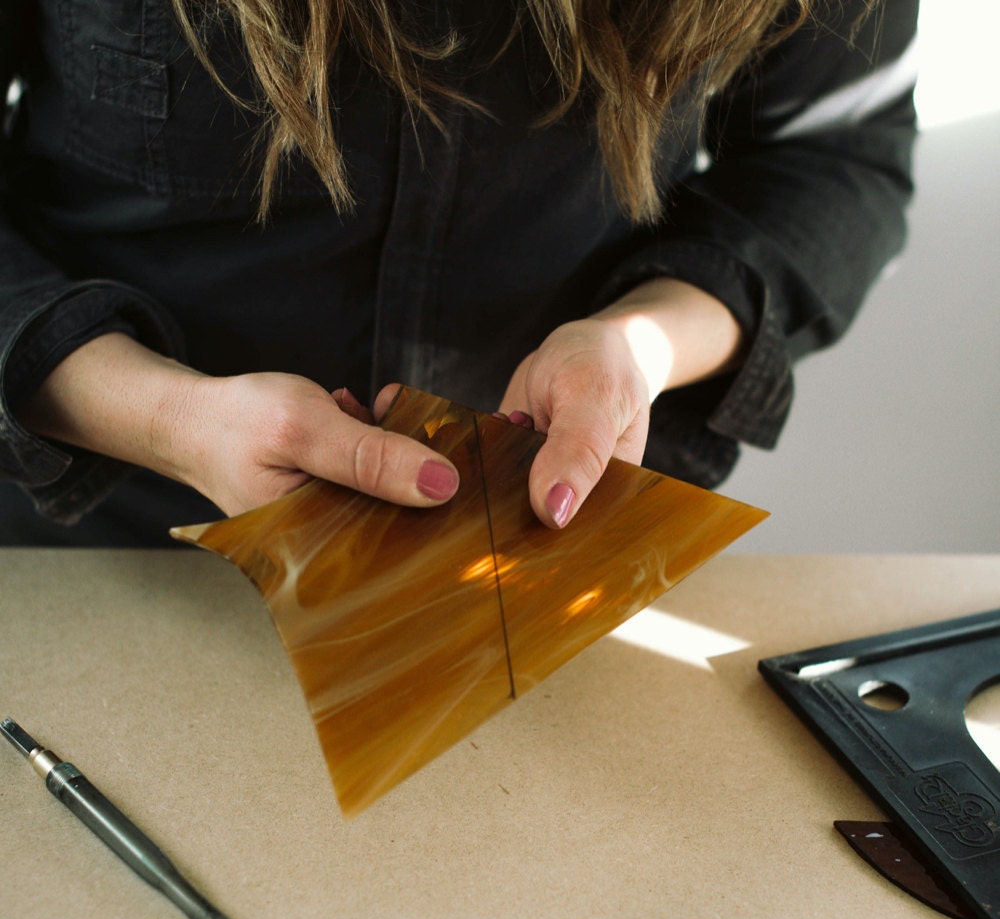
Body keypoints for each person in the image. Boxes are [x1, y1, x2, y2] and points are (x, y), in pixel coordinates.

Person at [0, 0, 919, 546]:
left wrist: (641, 343)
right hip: (97, 556)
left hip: (546, 572)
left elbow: (836, 153)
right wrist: (163, 418)